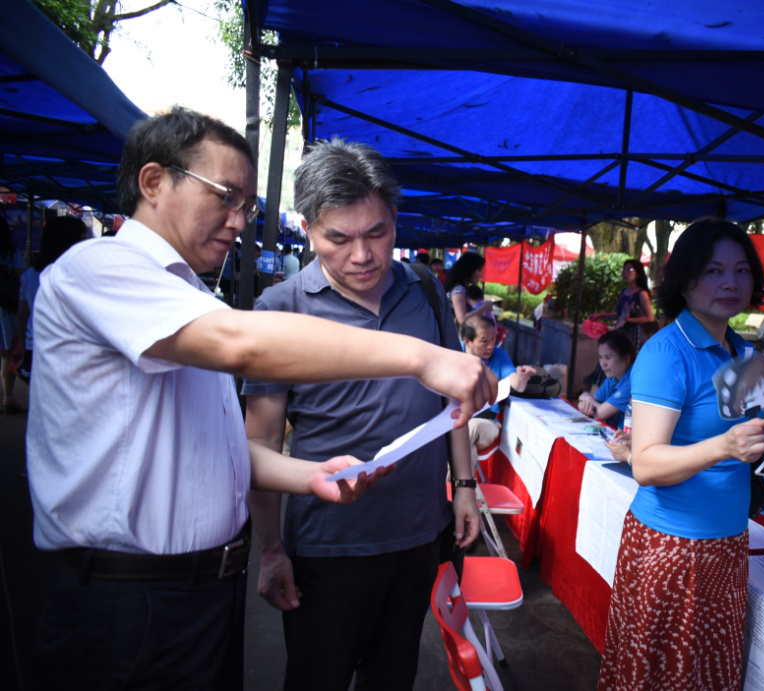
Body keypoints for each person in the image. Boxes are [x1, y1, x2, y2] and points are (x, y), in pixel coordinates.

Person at [25, 108, 494, 691]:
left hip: (200, 588)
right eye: (226, 197)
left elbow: (225, 449)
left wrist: (309, 476)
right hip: (131, 596)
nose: (238, 221)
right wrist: (422, 357)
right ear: (154, 182)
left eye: (245, 205)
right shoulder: (101, 268)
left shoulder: (187, 297)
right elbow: (242, 346)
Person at [242, 138, 484, 691]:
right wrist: (271, 550)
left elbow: (453, 404)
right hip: (328, 547)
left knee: (392, 676)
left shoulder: (424, 290)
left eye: (376, 233)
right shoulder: (280, 309)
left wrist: (465, 487)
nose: (362, 255)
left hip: (420, 534)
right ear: (308, 230)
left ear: (395, 219)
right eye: (339, 238)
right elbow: (260, 443)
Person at [597, 218, 764, 691]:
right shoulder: (667, 352)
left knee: (705, 675)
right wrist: (724, 446)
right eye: (713, 271)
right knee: (662, 677)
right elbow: (646, 464)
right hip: (673, 547)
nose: (731, 282)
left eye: (742, 270)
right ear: (683, 280)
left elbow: (742, 435)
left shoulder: (742, 351)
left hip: (727, 543)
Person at [16, 215, 90, 385]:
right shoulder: (74, 275)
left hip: (35, 344)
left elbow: (22, 315)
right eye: (83, 236)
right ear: (70, 241)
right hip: (66, 349)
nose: (87, 241)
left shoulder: (30, 275)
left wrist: (24, 346)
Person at [461, 314, 536, 464]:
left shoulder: (499, 355)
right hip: (455, 418)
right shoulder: (454, 353)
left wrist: (521, 378)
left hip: (487, 422)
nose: (491, 346)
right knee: (467, 447)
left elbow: (516, 383)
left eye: (493, 339)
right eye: (484, 341)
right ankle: (463, 480)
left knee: (466, 431)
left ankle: (447, 479)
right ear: (467, 341)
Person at [589, 259, 656, 352]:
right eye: (624, 270)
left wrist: (628, 320)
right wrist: (600, 316)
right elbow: (619, 314)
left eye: (629, 270)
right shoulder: (623, 292)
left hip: (634, 335)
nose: (625, 272)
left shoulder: (642, 294)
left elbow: (650, 318)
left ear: (638, 274)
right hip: (620, 333)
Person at [578, 329, 635, 429]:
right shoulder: (612, 379)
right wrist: (586, 401)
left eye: (608, 358)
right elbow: (589, 400)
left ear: (626, 359)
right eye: (600, 357)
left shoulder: (631, 382)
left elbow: (598, 413)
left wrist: (587, 399)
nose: (603, 364)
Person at [0, 216, 25, 414]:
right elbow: (21, 278)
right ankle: (8, 397)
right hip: (6, 309)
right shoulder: (11, 254)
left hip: (5, 310)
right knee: (7, 355)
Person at [445, 251, 493, 325]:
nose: (480, 275)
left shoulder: (459, 288)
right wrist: (484, 308)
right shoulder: (458, 290)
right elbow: (462, 319)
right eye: (479, 270)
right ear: (470, 270)